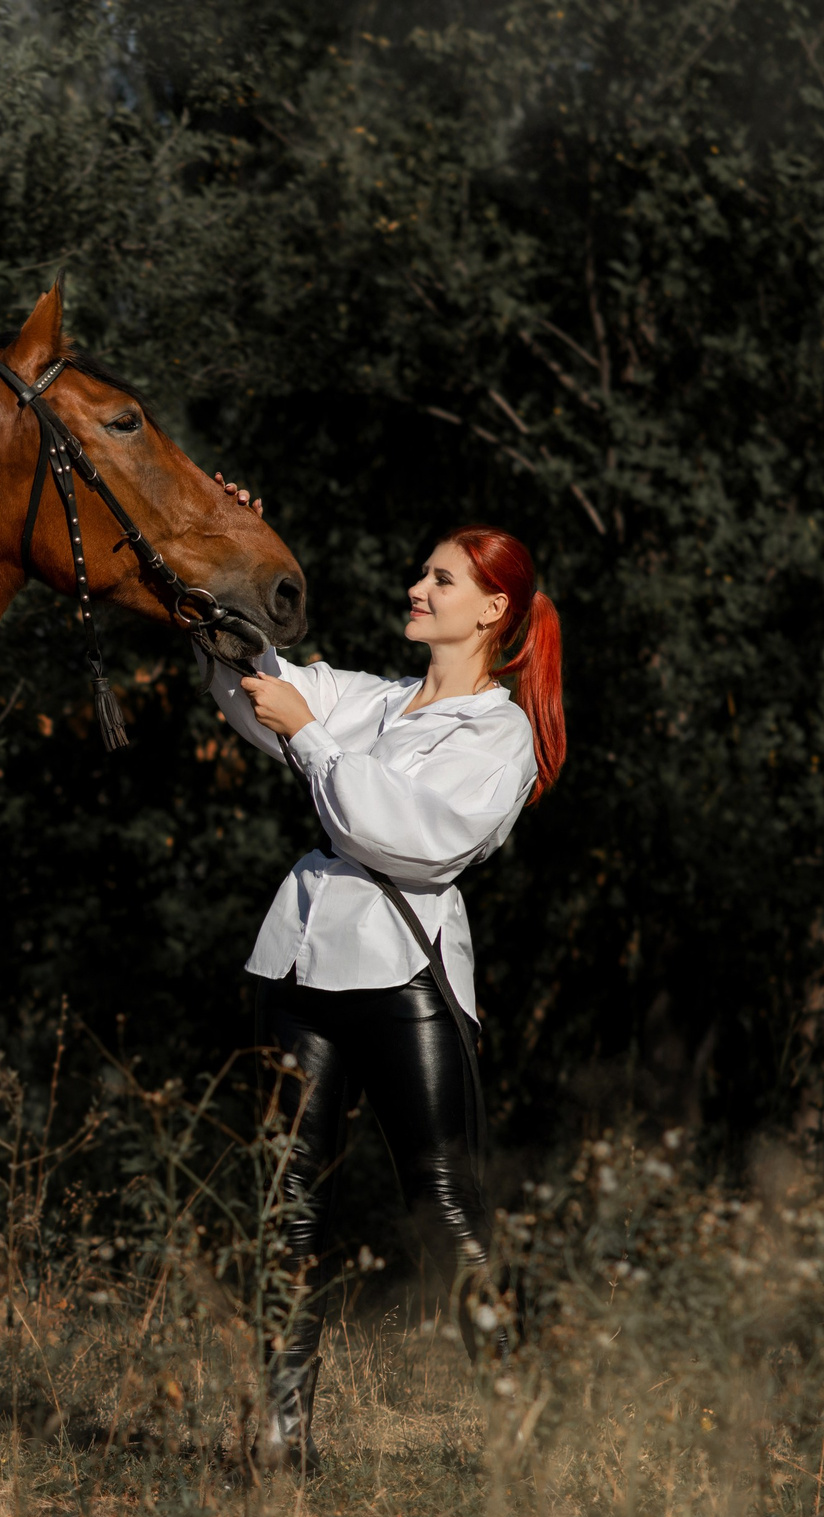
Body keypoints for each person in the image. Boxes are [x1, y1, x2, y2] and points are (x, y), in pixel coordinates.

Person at [203, 481, 565, 1467]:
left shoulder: (497, 734)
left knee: (441, 1199)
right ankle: (283, 1437)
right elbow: (253, 678)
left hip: (406, 978)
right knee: (285, 1199)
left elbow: (412, 842)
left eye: (438, 578)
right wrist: (234, 543)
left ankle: (517, 1421)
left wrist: (309, 733)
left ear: (490, 608)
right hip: (302, 963)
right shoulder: (373, 699)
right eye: (422, 572)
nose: (416, 586)